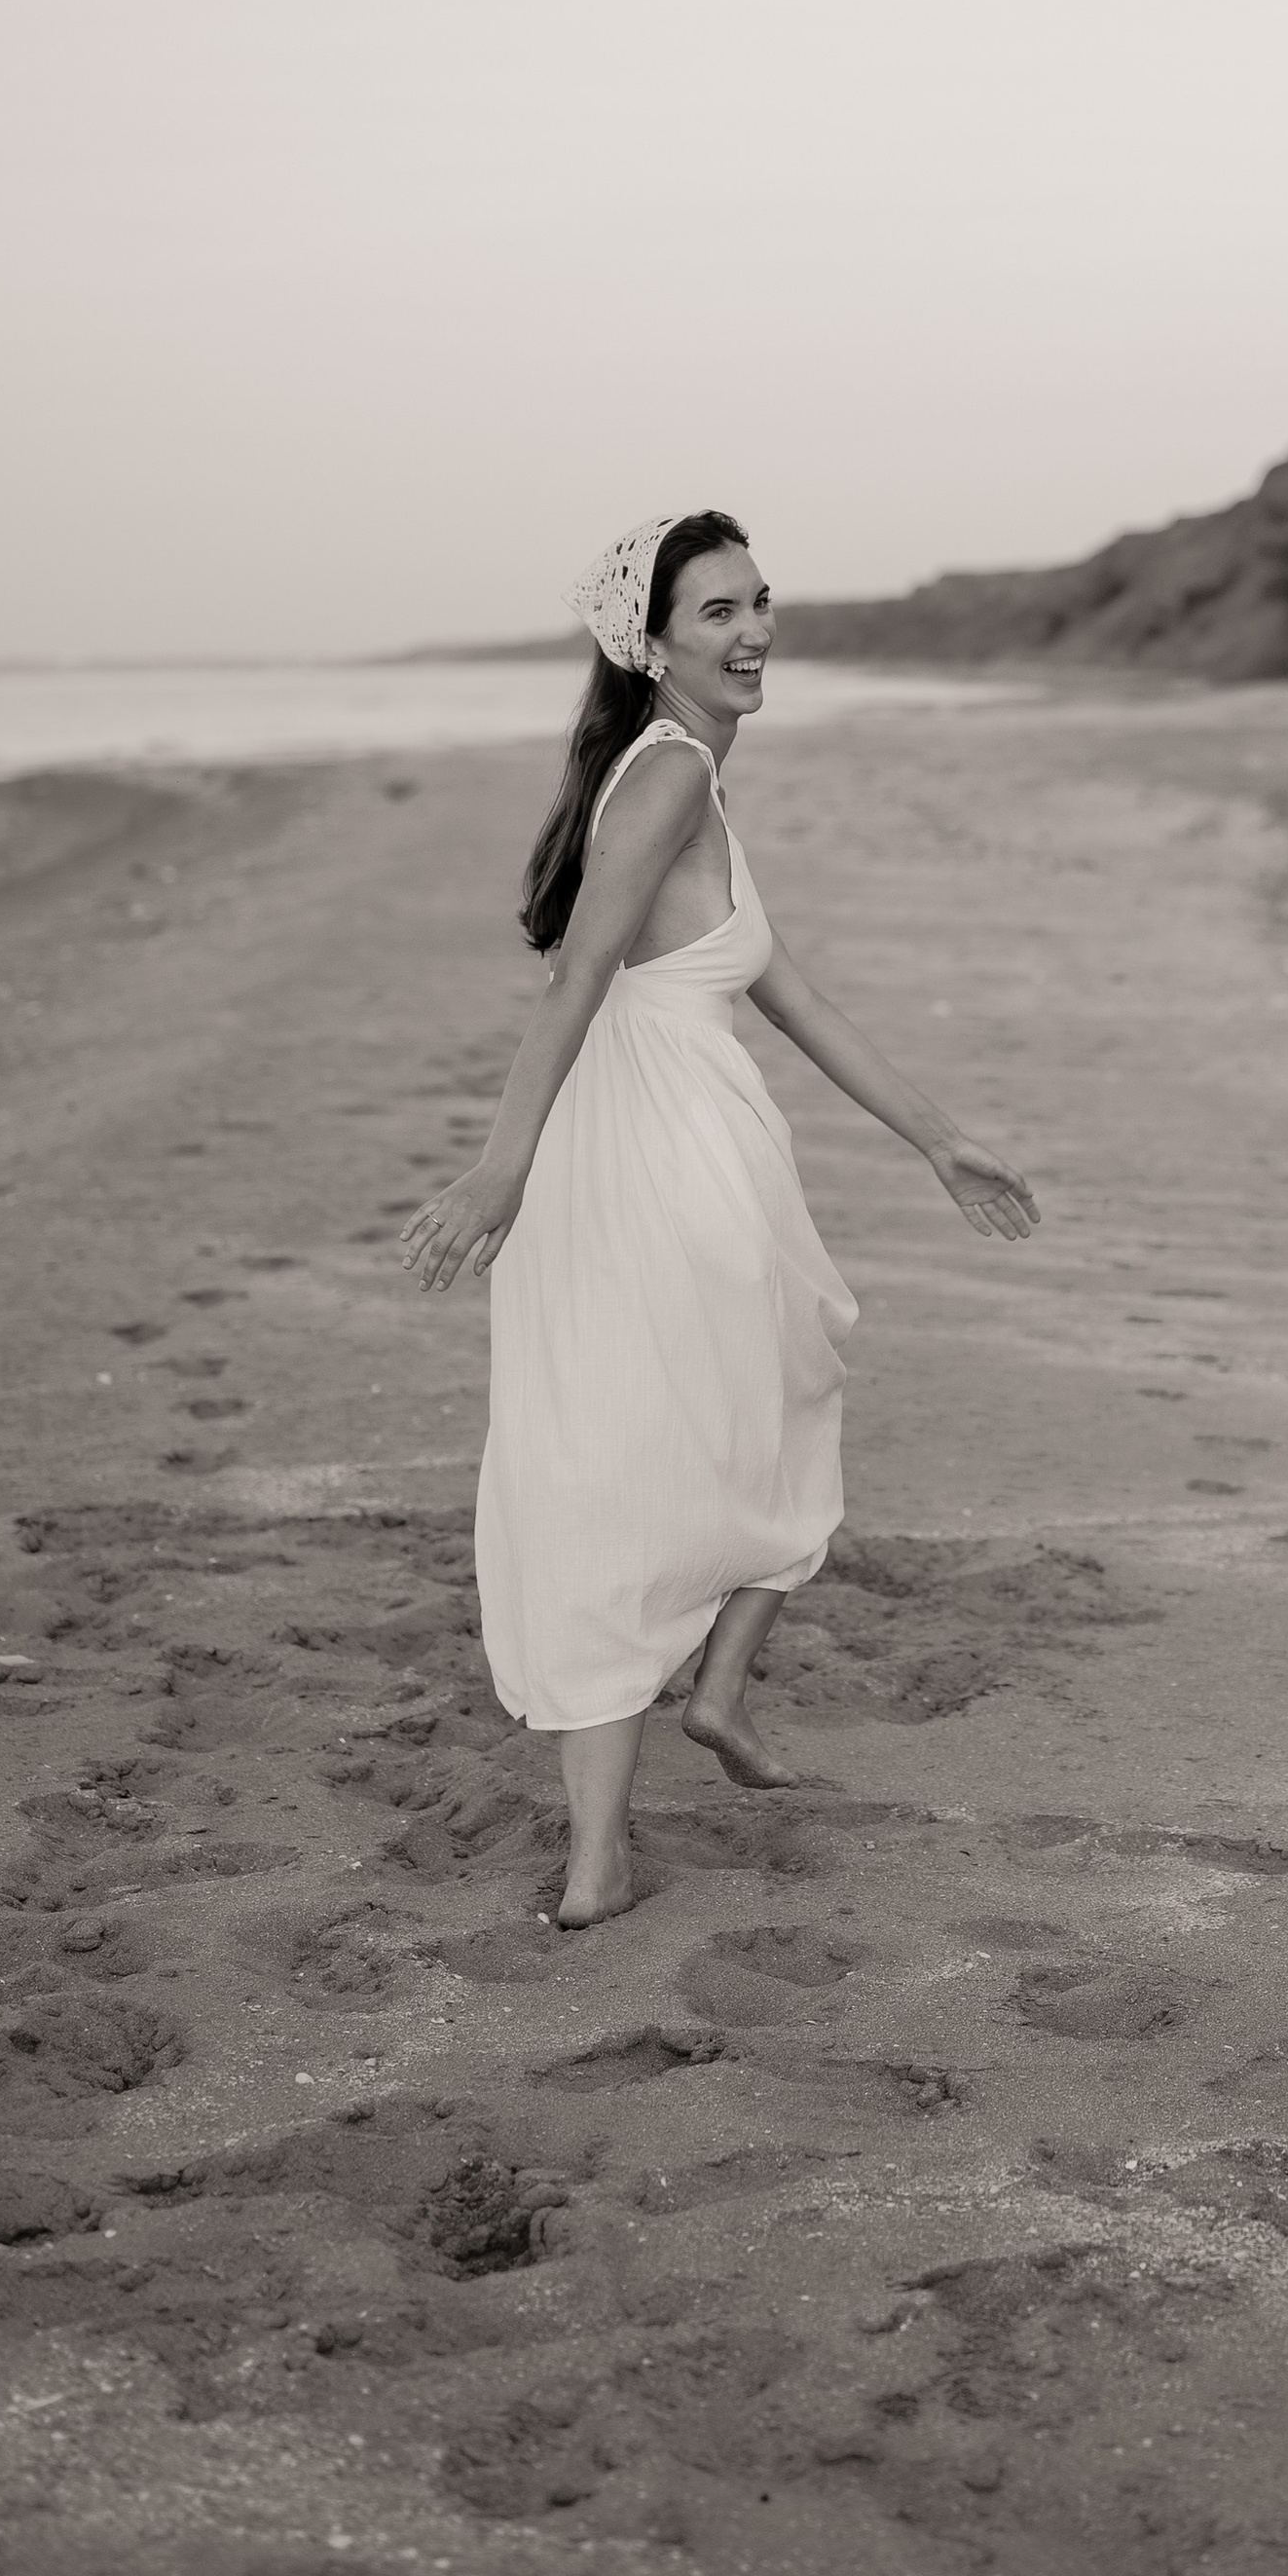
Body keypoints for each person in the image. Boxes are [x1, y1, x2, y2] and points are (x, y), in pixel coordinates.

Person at [402, 506, 1038, 1927]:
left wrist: (944, 1141)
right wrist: (499, 1165)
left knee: (653, 1441)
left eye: (761, 602)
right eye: (719, 615)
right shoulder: (670, 776)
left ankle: (617, 1837)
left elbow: (787, 990)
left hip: (636, 1150)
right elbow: (573, 981)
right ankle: (696, 1724)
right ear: (654, 644)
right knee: (747, 1414)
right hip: (661, 1158)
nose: (755, 633)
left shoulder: (686, 776)